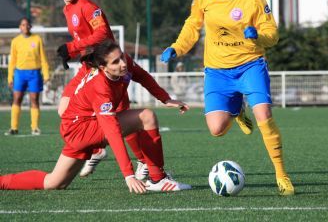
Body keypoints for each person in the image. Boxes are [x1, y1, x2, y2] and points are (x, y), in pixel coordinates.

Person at [160, 0, 294, 196]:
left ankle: (281, 174)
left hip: (250, 65)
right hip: (218, 71)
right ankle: (236, 110)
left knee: (264, 114)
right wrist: (176, 47)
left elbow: (272, 34)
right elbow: (193, 25)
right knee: (216, 130)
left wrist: (259, 35)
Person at [0, 40, 191, 192]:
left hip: (81, 127)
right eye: (115, 62)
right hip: (80, 130)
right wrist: (128, 174)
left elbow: (143, 76)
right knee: (146, 116)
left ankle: (2, 182)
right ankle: (158, 179)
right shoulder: (100, 86)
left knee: (54, 182)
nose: (123, 63)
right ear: (103, 67)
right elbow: (112, 130)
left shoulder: (125, 64)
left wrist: (165, 98)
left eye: (122, 57)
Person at [52, 0, 158, 179]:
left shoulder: (87, 6)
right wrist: (73, 53)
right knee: (64, 108)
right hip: (88, 67)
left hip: (107, 67)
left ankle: (144, 162)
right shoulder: (68, 10)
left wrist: (72, 47)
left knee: (119, 116)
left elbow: (101, 34)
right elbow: (86, 40)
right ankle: (98, 149)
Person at [5, 17, 49, 136]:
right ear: (20, 27)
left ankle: (35, 127)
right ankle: (14, 128)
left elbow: (43, 58)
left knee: (34, 99)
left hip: (34, 73)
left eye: (27, 25)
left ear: (30, 26)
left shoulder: (37, 39)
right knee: (17, 98)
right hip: (20, 74)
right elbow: (12, 61)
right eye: (23, 25)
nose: (25, 27)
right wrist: (10, 77)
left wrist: (46, 74)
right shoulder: (15, 41)